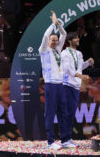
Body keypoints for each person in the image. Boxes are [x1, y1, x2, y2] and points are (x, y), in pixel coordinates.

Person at [38, 11, 66, 150]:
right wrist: (52, 24)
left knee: (62, 112)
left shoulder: (58, 50)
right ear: (48, 41)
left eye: (56, 40)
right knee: (50, 113)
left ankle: (65, 139)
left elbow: (64, 34)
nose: (55, 42)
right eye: (52, 40)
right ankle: (50, 141)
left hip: (60, 85)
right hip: (50, 85)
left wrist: (59, 25)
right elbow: (44, 36)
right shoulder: (44, 50)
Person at [60, 32, 94, 148]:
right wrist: (81, 76)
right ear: (70, 41)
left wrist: (87, 63)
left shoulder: (79, 53)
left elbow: (79, 67)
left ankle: (68, 139)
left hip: (75, 86)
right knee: (66, 113)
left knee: (71, 113)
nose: (78, 39)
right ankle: (64, 139)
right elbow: (68, 69)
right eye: (76, 38)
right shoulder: (64, 53)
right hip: (67, 85)